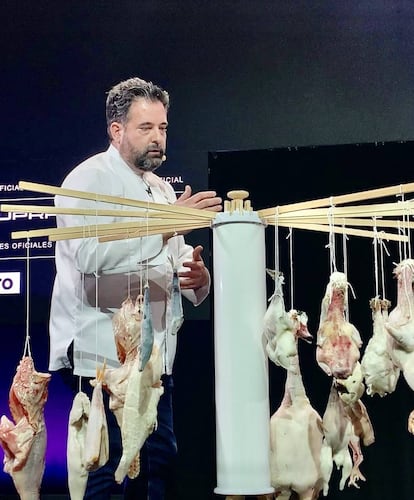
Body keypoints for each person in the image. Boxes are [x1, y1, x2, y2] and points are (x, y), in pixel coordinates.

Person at [49, 76, 222, 499]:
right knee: (107, 475)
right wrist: (167, 226)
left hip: (155, 359)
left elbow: (177, 259)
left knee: (157, 470)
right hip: (101, 357)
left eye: (162, 128)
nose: (158, 138)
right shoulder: (85, 181)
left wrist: (198, 280)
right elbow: (90, 259)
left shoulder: (162, 190)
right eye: (146, 128)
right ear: (117, 130)